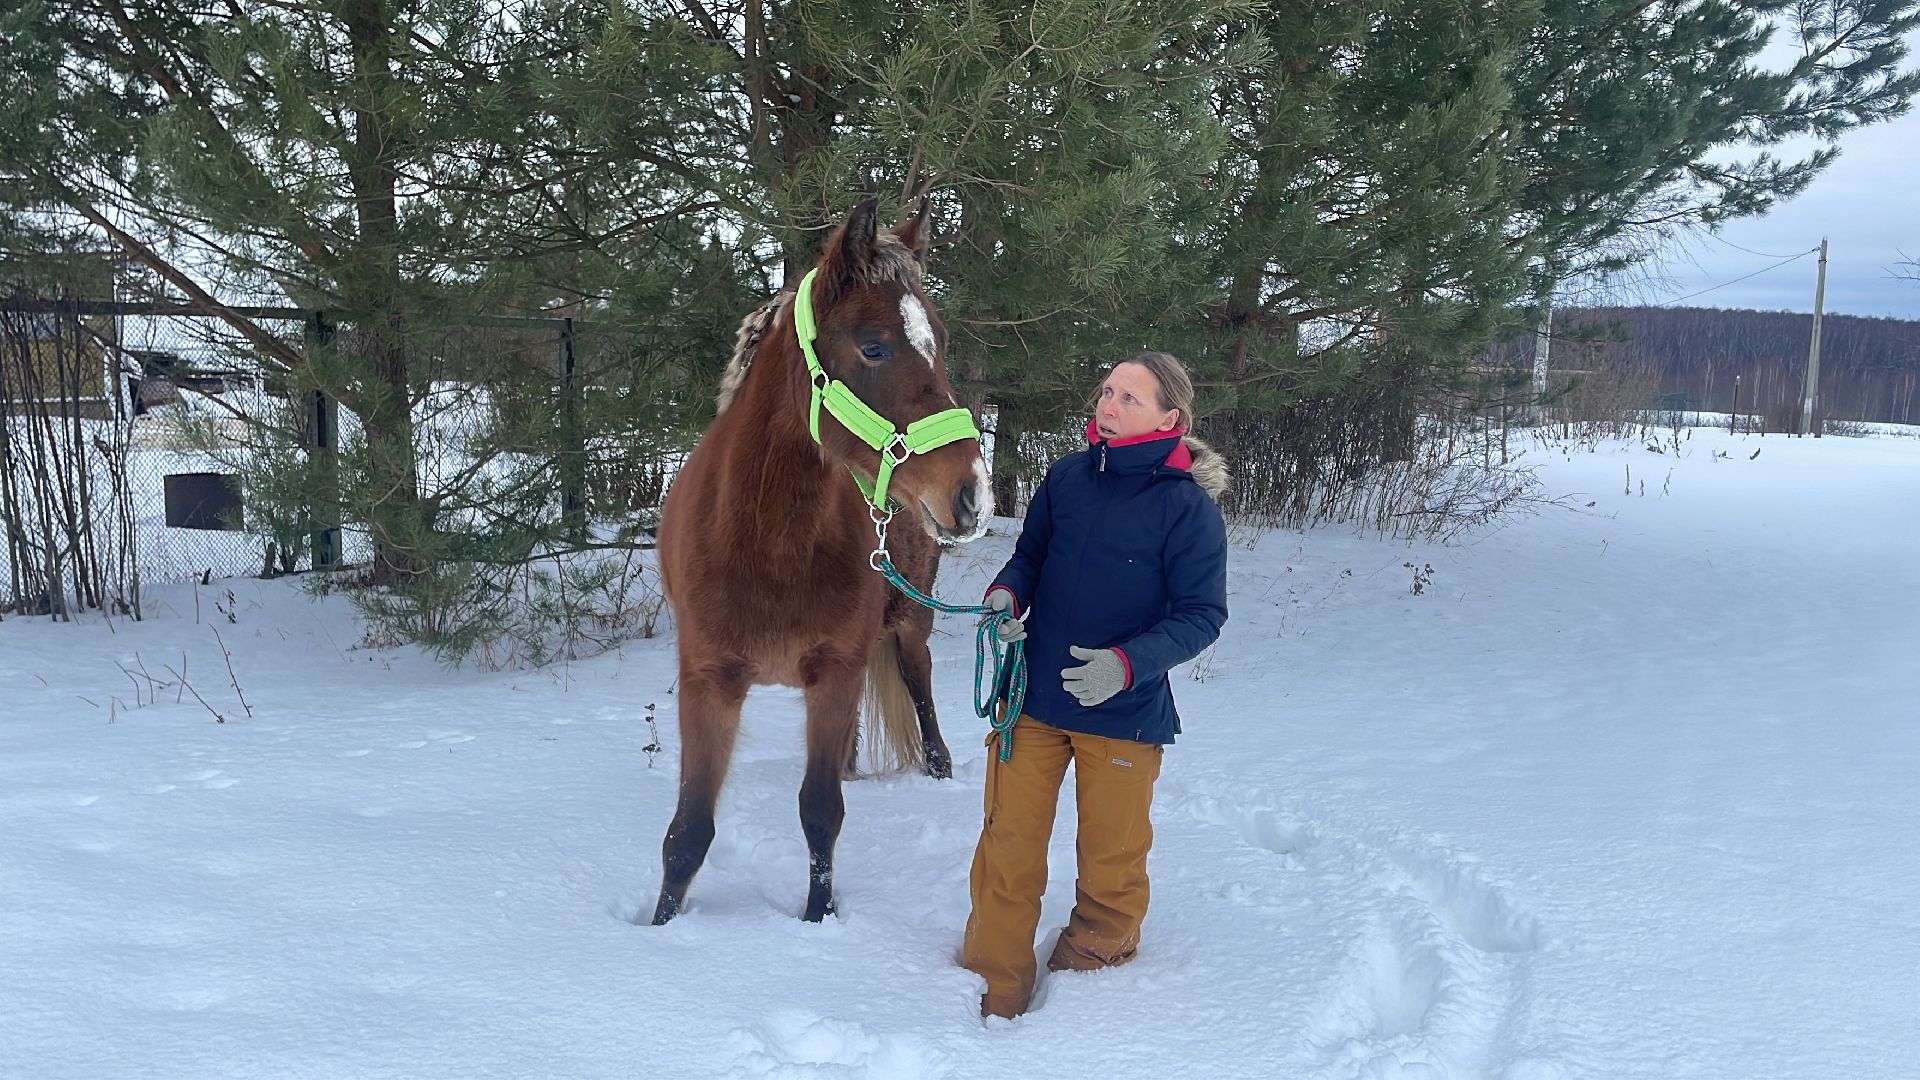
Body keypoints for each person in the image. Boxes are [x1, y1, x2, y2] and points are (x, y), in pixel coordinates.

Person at [962, 350, 1229, 1020]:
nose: (1107, 406)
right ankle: (991, 983)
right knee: (1007, 847)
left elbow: (1202, 615)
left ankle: (1087, 987)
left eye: (1128, 398)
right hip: (1033, 701)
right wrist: (1006, 595)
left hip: (1124, 714)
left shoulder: (1188, 510)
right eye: (1107, 391)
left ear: (1169, 418)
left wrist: (1126, 665)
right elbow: (1031, 557)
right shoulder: (1067, 477)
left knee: (1112, 863)